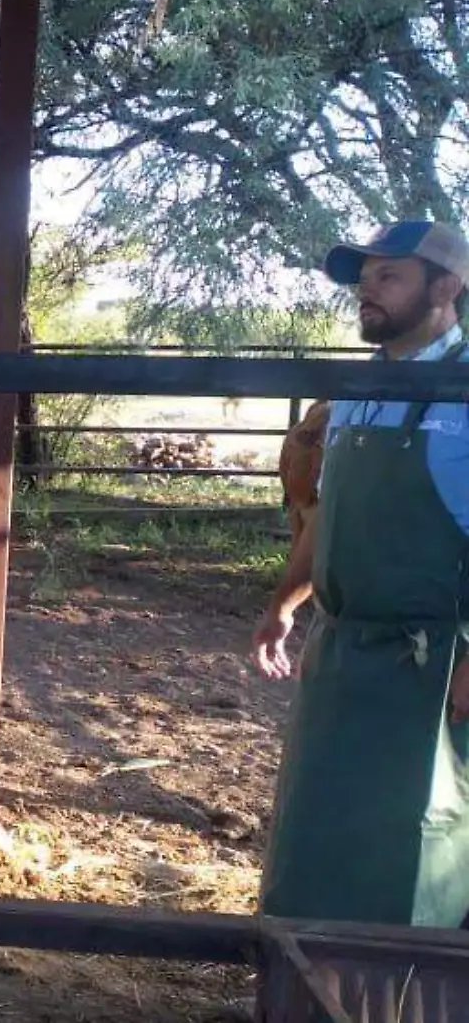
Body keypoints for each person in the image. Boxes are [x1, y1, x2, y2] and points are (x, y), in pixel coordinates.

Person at [251, 219, 469, 929]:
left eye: (389, 277)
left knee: (417, 849)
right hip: (342, 653)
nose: (366, 294)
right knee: (316, 834)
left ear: (447, 287)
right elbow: (327, 512)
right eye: (363, 279)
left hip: (431, 666)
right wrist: (286, 601)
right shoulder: (352, 393)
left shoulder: (464, 392)